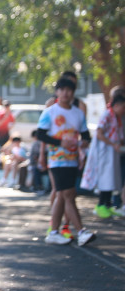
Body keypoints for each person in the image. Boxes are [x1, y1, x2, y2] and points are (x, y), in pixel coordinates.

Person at [37, 77, 96, 246]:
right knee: (69, 194)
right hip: (57, 160)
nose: (65, 93)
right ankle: (81, 231)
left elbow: (85, 134)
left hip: (73, 159)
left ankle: (54, 232)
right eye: (62, 89)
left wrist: (84, 143)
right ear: (57, 92)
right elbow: (41, 134)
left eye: (69, 90)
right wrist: (59, 143)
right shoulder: (50, 112)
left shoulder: (78, 113)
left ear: (73, 93)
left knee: (62, 196)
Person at [81, 93, 125, 218]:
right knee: (106, 179)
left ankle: (107, 204)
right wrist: (113, 144)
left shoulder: (116, 117)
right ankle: (101, 204)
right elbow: (99, 133)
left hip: (112, 153)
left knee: (111, 179)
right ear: (117, 105)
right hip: (105, 153)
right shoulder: (107, 115)